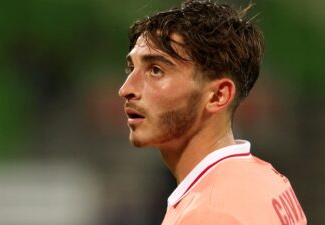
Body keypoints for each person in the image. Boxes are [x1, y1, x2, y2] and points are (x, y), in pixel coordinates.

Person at [118, 0, 307, 224]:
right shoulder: (268, 179)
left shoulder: (206, 213)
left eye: (156, 70)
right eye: (132, 69)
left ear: (218, 96)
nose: (126, 89)